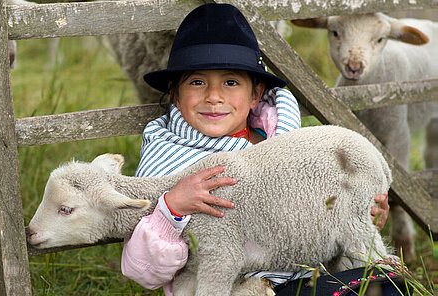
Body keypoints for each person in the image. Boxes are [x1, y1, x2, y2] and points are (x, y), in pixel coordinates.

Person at [120, 3, 391, 295]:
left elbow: (324, 214)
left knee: (386, 286)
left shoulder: (287, 143)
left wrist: (361, 211)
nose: (213, 97)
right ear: (174, 93)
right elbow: (142, 270)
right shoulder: (167, 157)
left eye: (231, 82)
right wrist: (171, 208)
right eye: (197, 82)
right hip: (227, 286)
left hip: (307, 273)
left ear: (256, 94)